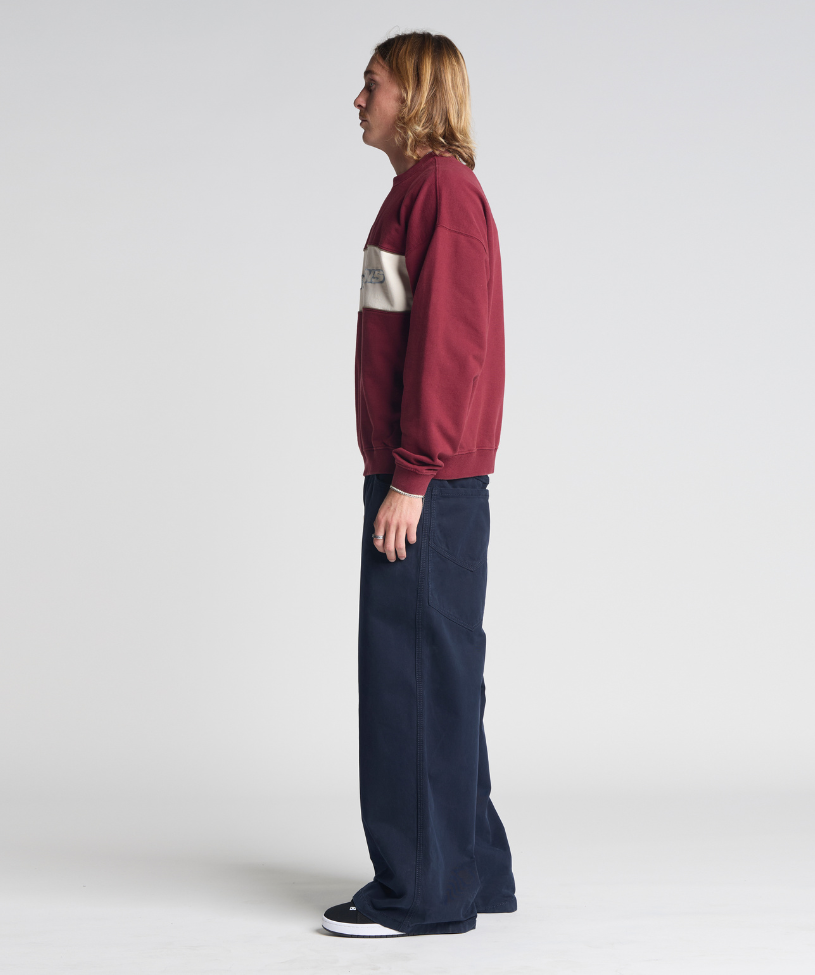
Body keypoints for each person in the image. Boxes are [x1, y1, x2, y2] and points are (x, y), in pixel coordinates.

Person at [321, 32, 516, 939]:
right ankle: (475, 871)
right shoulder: (417, 194)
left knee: (412, 678)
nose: (359, 100)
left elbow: (450, 345)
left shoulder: (442, 194)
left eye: (373, 85)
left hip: (425, 485)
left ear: (417, 96)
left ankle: (424, 893)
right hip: (423, 478)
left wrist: (412, 475)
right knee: (440, 673)